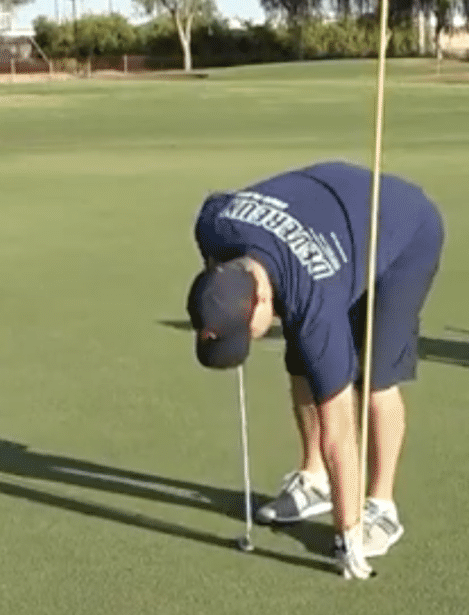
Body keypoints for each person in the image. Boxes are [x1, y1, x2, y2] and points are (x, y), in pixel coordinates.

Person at [186, 160, 446, 579]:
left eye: (245, 333)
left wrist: (348, 534)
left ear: (263, 301)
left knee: (374, 380)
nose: (249, 340)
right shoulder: (215, 225)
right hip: (328, 209)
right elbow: (214, 215)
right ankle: (314, 481)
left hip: (401, 227)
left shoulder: (312, 303)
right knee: (303, 361)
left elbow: (340, 430)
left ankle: (380, 506)